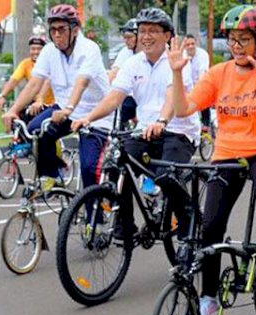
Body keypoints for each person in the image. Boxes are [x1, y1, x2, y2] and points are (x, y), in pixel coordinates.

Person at [168, 4, 256, 315]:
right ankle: (208, 296)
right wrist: (177, 73)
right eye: (232, 39)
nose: (236, 46)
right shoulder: (219, 73)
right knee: (211, 226)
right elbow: (183, 109)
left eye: (244, 39)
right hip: (228, 153)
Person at [72, 7, 199, 239]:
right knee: (117, 164)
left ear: (167, 36)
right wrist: (88, 118)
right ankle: (125, 226)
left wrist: (162, 120)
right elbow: (114, 97)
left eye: (153, 31)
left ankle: (189, 224)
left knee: (166, 177)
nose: (146, 36)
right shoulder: (133, 63)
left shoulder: (178, 61)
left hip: (178, 131)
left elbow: (172, 97)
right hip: (145, 131)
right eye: (142, 31)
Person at [1, 4, 113, 191]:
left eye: (62, 29)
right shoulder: (49, 51)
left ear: (75, 30)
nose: (57, 35)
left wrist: (68, 109)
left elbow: (82, 82)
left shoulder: (89, 49)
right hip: (64, 109)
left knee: (88, 168)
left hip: (95, 115)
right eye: (53, 30)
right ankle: (56, 173)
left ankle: (96, 217)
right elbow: (35, 83)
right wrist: (13, 110)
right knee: (35, 130)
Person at [0, 35, 54, 124]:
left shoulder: (51, 63)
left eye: (39, 49)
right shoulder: (26, 64)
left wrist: (40, 100)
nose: (36, 52)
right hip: (33, 105)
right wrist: (3, 96)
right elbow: (14, 80)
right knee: (16, 122)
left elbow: (47, 82)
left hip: (51, 104)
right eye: (33, 49)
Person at [109, 18, 139, 129]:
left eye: (129, 37)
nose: (126, 41)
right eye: (125, 38)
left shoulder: (149, 53)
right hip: (129, 97)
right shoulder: (125, 52)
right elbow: (114, 73)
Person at [183, 34, 212, 130]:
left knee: (204, 96)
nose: (191, 46)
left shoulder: (203, 54)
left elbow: (202, 73)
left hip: (200, 82)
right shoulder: (182, 55)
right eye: (188, 45)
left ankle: (205, 124)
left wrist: (198, 90)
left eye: (192, 44)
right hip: (187, 85)